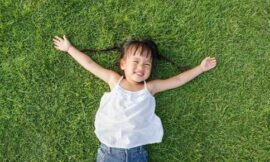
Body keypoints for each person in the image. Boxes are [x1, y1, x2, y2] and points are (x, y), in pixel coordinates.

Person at [53, 35, 217, 162]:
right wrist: (69, 49)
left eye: (147, 64)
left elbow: (177, 80)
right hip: (109, 153)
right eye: (136, 61)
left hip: (137, 153)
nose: (141, 67)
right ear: (123, 64)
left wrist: (200, 68)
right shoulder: (114, 80)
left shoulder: (150, 88)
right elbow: (89, 64)